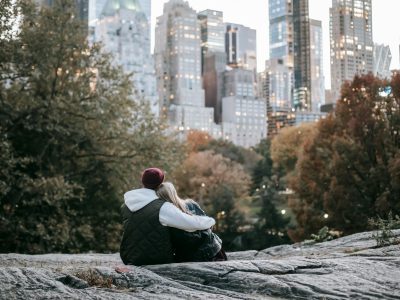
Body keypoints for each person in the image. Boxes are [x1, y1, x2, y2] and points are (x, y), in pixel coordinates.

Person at [120, 167, 215, 266]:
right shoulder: (162, 207)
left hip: (129, 257)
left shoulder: (126, 205)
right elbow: (191, 224)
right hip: (155, 259)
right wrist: (210, 221)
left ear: (143, 181)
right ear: (160, 183)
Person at [156, 182, 227, 262]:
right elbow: (208, 225)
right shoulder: (190, 204)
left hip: (191, 257)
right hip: (213, 250)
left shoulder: (165, 216)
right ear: (173, 192)